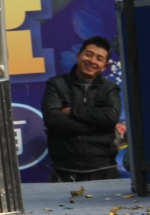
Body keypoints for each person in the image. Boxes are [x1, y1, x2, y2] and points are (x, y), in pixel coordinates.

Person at [42, 36, 122, 182]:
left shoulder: (110, 88)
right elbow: (52, 118)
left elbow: (111, 116)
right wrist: (95, 127)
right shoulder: (56, 84)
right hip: (65, 170)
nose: (92, 61)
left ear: (104, 66)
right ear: (78, 56)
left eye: (99, 58)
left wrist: (72, 111)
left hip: (104, 170)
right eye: (88, 54)